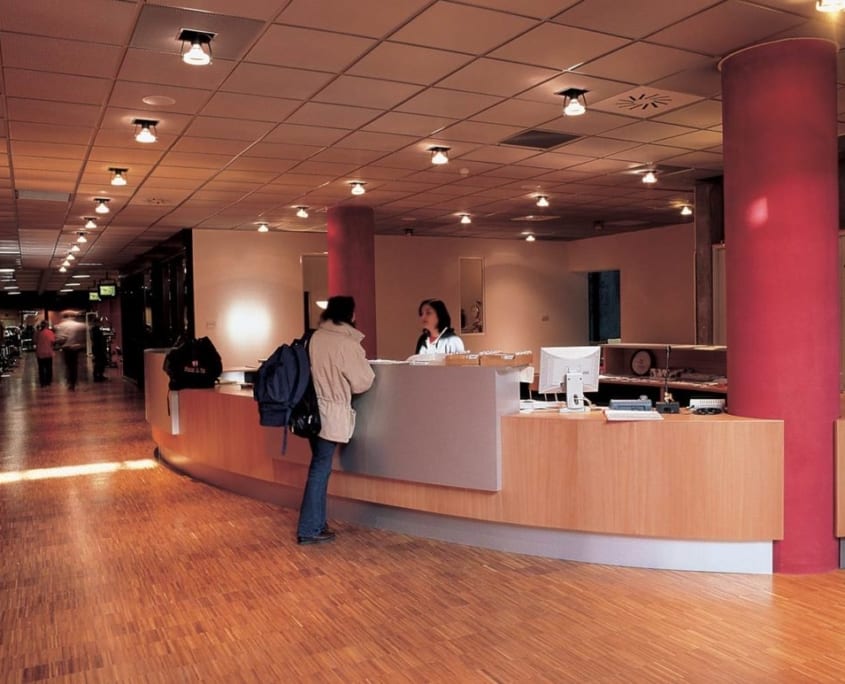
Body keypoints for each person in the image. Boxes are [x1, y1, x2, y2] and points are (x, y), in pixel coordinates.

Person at [297, 295, 375, 545]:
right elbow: (362, 382)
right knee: (320, 469)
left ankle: (317, 523)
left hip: (310, 412)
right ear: (350, 315)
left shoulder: (316, 337)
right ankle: (309, 528)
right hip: (330, 413)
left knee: (319, 466)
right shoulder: (346, 344)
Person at [54, 311, 87, 390]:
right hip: (77, 347)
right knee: (74, 366)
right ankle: (74, 381)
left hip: (66, 348)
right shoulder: (79, 325)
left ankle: (70, 382)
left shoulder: (61, 325)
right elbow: (83, 334)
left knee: (68, 366)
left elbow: (60, 338)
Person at [34, 321, 56, 387]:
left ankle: (42, 382)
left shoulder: (37, 333)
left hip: (40, 353)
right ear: (47, 325)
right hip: (48, 352)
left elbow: (34, 341)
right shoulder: (50, 332)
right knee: (49, 368)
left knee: (41, 368)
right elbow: (53, 341)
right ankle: (48, 381)